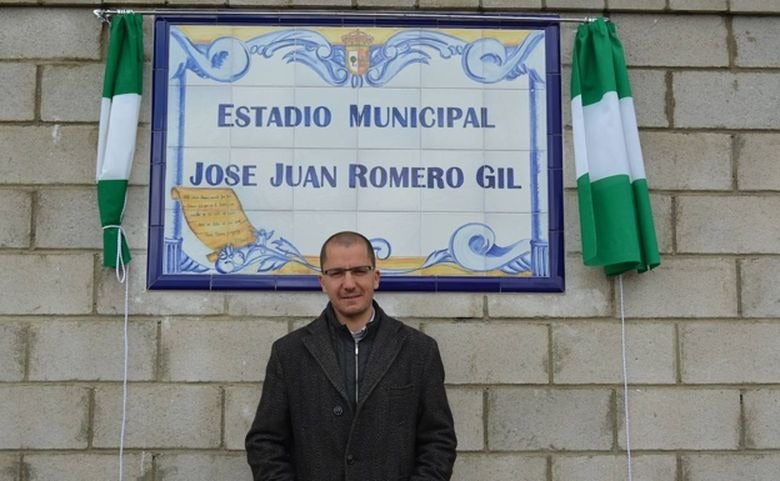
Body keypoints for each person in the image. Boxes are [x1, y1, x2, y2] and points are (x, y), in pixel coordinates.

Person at [245, 231, 457, 481]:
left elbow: (438, 442)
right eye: (336, 273)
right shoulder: (289, 353)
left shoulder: (418, 350)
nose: (348, 284)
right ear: (322, 282)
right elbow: (265, 442)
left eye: (359, 271)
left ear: (375, 277)